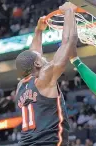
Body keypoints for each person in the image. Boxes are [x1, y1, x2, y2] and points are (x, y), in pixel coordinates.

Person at [15, 3, 78, 145]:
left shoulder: (20, 86)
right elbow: (68, 42)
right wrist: (69, 11)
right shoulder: (44, 79)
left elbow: (33, 56)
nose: (45, 59)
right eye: (42, 58)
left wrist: (38, 31)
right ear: (37, 64)